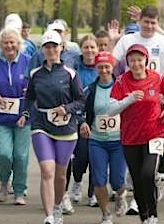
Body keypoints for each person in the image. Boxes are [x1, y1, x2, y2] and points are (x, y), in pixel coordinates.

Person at [18, 30, 85, 224]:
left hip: (66, 129)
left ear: (61, 48)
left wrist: (66, 108)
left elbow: (81, 100)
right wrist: (25, 114)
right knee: (47, 170)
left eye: (54, 46)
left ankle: (57, 206)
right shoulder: (35, 74)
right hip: (42, 125)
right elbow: (30, 97)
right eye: (47, 47)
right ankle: (48, 216)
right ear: (42, 50)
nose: (51, 50)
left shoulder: (70, 74)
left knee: (60, 174)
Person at [109, 44, 164, 224]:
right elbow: (110, 109)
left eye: (139, 60)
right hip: (130, 137)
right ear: (127, 62)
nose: (136, 64)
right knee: (137, 179)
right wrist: (128, 99)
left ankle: (153, 213)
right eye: (132, 60)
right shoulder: (121, 81)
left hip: (155, 133)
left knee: (148, 174)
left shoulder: (156, 78)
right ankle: (144, 215)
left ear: (146, 60)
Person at [79, 51, 129, 224]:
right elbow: (80, 108)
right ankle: (106, 214)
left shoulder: (121, 86)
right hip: (97, 141)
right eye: (100, 67)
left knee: (117, 180)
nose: (104, 70)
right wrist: (83, 122)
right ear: (96, 69)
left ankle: (121, 194)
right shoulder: (91, 90)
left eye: (107, 67)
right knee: (99, 179)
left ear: (112, 67)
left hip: (119, 141)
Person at [0, 27, 31, 206]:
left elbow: (36, 89)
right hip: (1, 117)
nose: (9, 46)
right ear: (0, 45)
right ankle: (5, 182)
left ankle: (19, 190)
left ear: (19, 44)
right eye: (5, 43)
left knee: (20, 155)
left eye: (12, 42)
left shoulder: (29, 61)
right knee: (4, 154)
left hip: (23, 117)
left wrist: (30, 93)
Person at [67, 35, 100, 207]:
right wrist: (80, 120)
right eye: (86, 47)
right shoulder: (74, 68)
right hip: (78, 118)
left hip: (97, 119)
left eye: (93, 47)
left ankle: (93, 192)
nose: (89, 51)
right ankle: (77, 182)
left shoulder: (101, 68)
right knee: (81, 157)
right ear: (81, 49)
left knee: (96, 157)